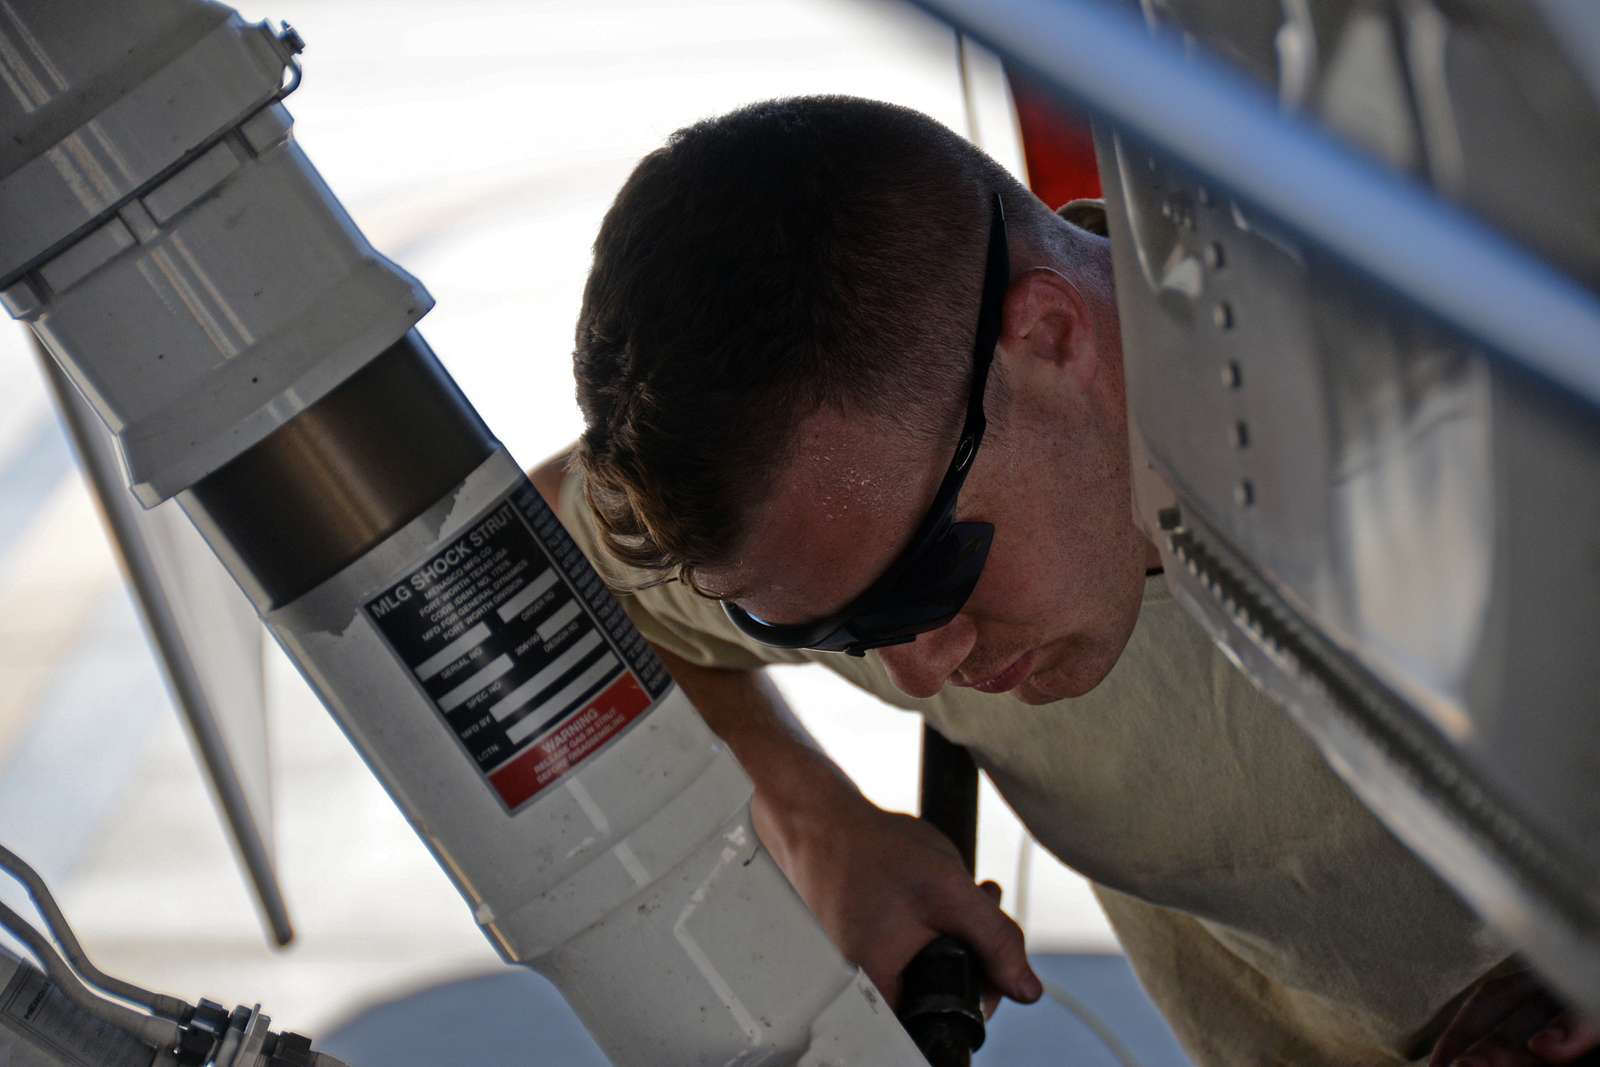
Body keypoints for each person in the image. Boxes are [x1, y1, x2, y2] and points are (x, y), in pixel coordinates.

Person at [529, 96, 1598, 1066]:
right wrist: (814, 818)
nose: (915, 668)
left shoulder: (1489, 358)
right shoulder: (862, 511)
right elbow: (527, 570)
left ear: (1046, 336)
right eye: (836, 626)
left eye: (922, 579)